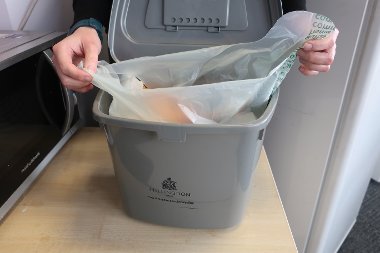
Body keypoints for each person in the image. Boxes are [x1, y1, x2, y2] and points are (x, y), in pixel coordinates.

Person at [53, 0, 339, 93]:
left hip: (244, 76)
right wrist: (87, 22)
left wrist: (304, 29)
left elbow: (296, 22)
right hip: (139, 72)